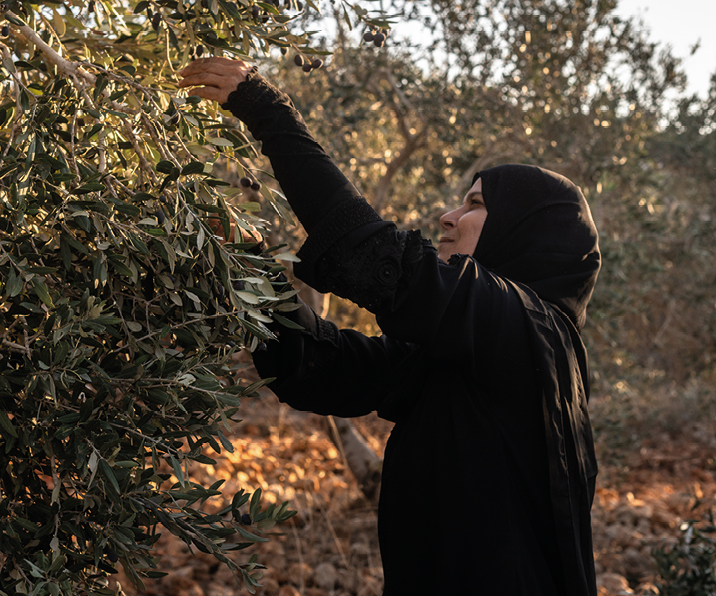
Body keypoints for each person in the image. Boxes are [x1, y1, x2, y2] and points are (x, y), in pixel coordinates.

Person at [178, 57, 600, 596]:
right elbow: (318, 365)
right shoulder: (465, 354)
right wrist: (251, 263)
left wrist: (267, 109)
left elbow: (374, 254)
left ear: (525, 232)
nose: (448, 216)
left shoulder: (531, 332)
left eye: (475, 205)